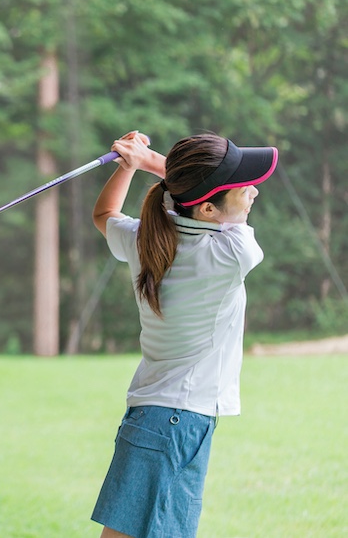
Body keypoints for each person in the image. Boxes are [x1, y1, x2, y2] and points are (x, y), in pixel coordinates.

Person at [90, 131, 278, 538]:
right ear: (208, 208)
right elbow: (112, 213)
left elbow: (104, 214)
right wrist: (142, 160)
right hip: (179, 420)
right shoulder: (232, 253)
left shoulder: (147, 239)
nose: (254, 193)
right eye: (242, 188)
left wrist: (132, 164)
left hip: (154, 415)